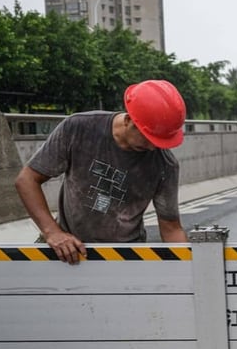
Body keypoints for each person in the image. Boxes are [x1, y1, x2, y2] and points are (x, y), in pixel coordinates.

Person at [14, 79, 188, 264]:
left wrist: (191, 272)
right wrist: (52, 232)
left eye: (159, 141)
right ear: (129, 120)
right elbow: (27, 180)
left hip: (126, 257)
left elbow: (171, 229)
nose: (153, 147)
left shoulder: (164, 165)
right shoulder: (79, 129)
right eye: (148, 138)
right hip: (70, 249)